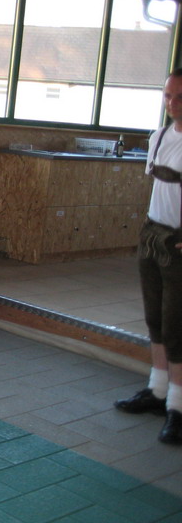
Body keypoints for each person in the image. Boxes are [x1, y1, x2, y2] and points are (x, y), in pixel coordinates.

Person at [114, 69, 182, 445]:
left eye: (180, 97)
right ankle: (157, 390)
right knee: (155, 319)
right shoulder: (159, 138)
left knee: (177, 326)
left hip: (179, 244)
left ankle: (178, 406)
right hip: (153, 237)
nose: (172, 103)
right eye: (168, 95)